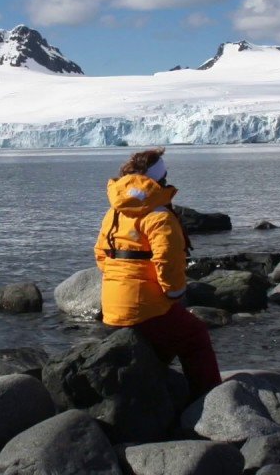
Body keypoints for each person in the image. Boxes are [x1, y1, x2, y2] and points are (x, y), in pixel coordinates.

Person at [95, 148, 222, 400]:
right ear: (159, 179)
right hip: (145, 308)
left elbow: (100, 254)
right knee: (194, 334)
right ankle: (208, 400)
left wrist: (121, 277)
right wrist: (174, 293)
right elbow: (168, 260)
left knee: (161, 343)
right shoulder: (159, 215)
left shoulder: (115, 211)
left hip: (111, 307)